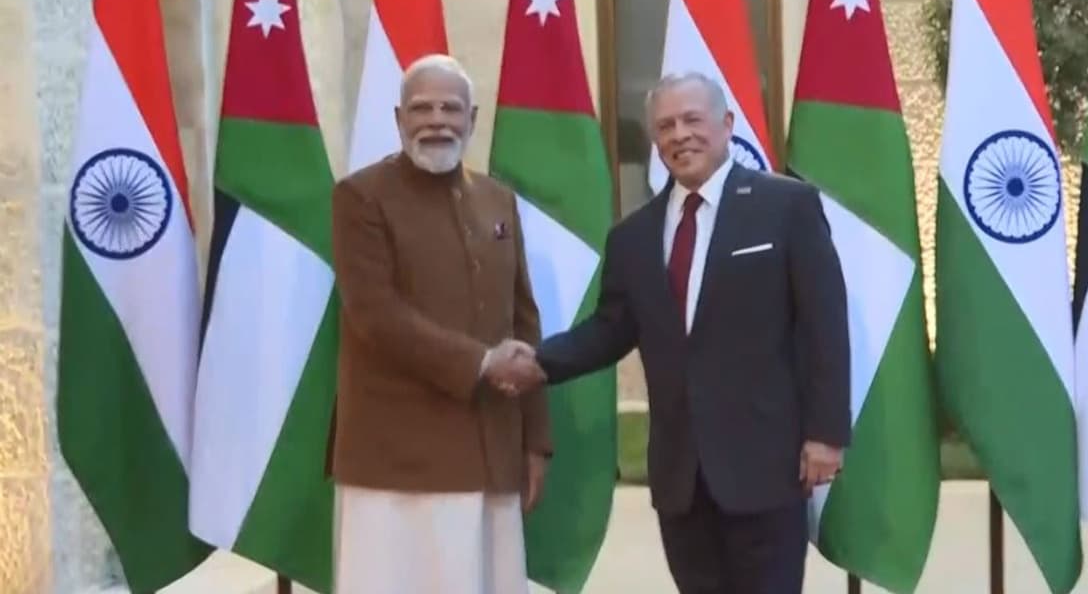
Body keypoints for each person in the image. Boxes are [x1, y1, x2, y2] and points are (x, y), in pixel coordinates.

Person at [488, 71, 851, 594]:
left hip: (766, 467)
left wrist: (826, 434)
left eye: (691, 120)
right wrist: (537, 364)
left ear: (726, 124)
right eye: (665, 126)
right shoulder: (633, 236)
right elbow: (609, 330)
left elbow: (824, 324)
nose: (680, 135)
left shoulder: (786, 207)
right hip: (681, 479)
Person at [327, 53, 551, 594]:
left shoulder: (497, 199)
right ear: (398, 118)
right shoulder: (361, 197)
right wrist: (481, 362)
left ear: (472, 119)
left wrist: (535, 440)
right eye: (421, 108)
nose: (436, 121)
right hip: (398, 462)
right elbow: (375, 314)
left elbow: (523, 318)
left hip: (493, 450)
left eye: (450, 108)